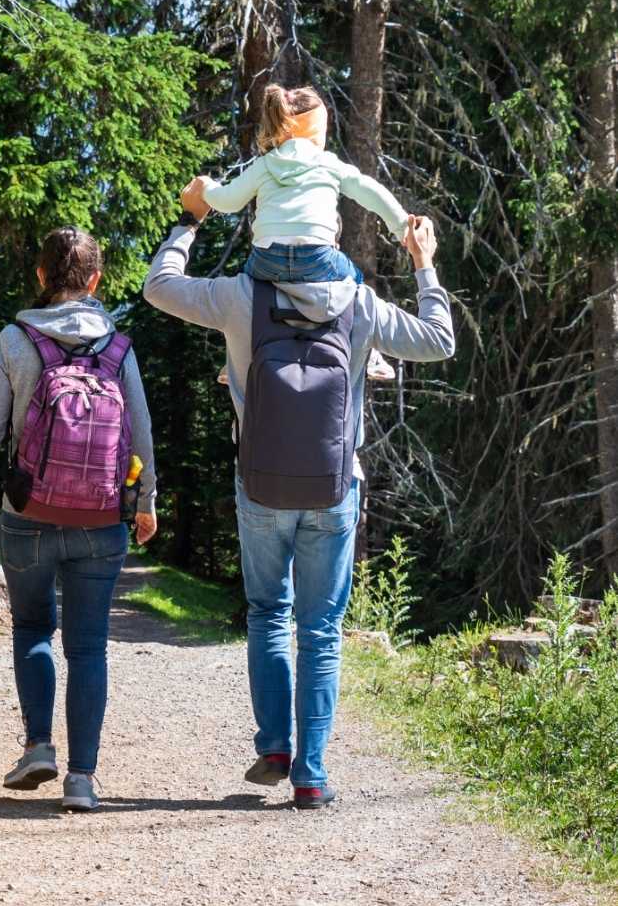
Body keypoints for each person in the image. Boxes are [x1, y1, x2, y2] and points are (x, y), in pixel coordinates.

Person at [142, 188, 454, 809]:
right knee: (321, 630)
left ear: (264, 232)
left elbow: (159, 286)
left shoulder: (237, 296)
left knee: (267, 612)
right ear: (332, 237)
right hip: (335, 486)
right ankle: (311, 775)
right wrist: (423, 261)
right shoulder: (360, 304)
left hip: (259, 483)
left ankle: (274, 747)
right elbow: (439, 340)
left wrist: (191, 218)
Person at [0, 227, 157, 813]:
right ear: (94, 282)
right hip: (101, 519)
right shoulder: (118, 347)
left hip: (27, 514)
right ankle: (83, 780)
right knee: (88, 647)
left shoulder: (15, 342)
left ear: (41, 278)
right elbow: (140, 431)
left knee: (33, 628)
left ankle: (39, 745)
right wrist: (146, 501)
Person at [192, 83, 409, 381]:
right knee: (356, 285)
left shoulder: (265, 165)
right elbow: (370, 191)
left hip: (267, 259)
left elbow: (227, 202)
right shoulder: (328, 163)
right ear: (313, 129)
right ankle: (370, 356)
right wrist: (401, 226)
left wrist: (207, 187)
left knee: (245, 294)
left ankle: (236, 360)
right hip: (318, 257)